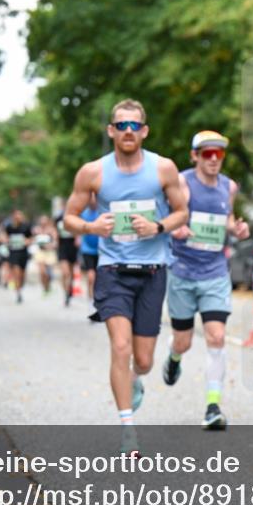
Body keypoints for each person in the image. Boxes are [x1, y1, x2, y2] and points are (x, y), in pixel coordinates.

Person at [62, 99, 188, 455]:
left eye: (135, 126)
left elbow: (182, 212)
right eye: (121, 126)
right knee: (119, 346)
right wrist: (89, 225)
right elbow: (68, 217)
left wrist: (157, 226)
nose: (128, 131)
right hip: (112, 271)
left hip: (152, 273)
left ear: (144, 131)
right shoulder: (93, 173)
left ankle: (135, 380)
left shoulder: (163, 168)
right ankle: (127, 428)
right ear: (111, 131)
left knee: (143, 361)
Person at [163, 131, 250, 429]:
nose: (213, 160)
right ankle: (173, 358)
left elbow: (226, 219)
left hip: (214, 272)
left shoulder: (229, 187)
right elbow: (167, 217)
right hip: (183, 272)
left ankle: (213, 406)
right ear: (195, 156)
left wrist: (236, 229)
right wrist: (174, 229)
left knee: (216, 336)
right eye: (207, 154)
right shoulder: (183, 183)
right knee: (183, 341)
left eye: (219, 155)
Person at [4, 209, 32, 304]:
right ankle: (18, 292)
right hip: (13, 253)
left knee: (22, 275)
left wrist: (27, 241)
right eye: (16, 216)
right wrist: (6, 241)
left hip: (23, 253)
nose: (18, 217)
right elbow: (4, 237)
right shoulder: (9, 227)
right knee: (17, 272)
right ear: (13, 217)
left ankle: (20, 286)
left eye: (20, 215)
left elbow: (31, 238)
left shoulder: (26, 226)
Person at [79, 195, 101, 313]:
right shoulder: (84, 214)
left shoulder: (102, 212)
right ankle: (91, 302)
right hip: (87, 250)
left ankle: (99, 300)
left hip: (101, 250)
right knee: (91, 277)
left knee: (100, 279)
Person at [56, 209, 79, 306]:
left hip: (72, 248)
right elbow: (55, 232)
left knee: (71, 273)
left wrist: (78, 237)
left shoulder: (75, 217)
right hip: (62, 248)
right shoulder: (58, 219)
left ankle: (69, 289)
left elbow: (79, 231)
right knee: (65, 273)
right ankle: (66, 293)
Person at [33, 214, 58, 296]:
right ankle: (44, 288)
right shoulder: (36, 230)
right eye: (42, 220)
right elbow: (32, 239)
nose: (43, 222)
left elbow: (55, 242)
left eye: (45, 220)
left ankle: (48, 285)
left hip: (49, 253)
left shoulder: (51, 230)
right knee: (42, 272)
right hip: (40, 252)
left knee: (48, 273)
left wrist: (50, 246)